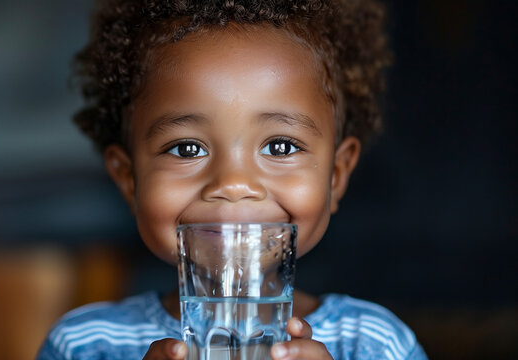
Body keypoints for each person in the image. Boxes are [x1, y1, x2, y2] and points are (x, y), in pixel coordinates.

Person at [37, 0, 428, 359]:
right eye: (187, 149)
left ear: (336, 176)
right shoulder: (84, 345)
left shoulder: (376, 343)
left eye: (279, 147)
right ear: (128, 179)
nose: (233, 183)